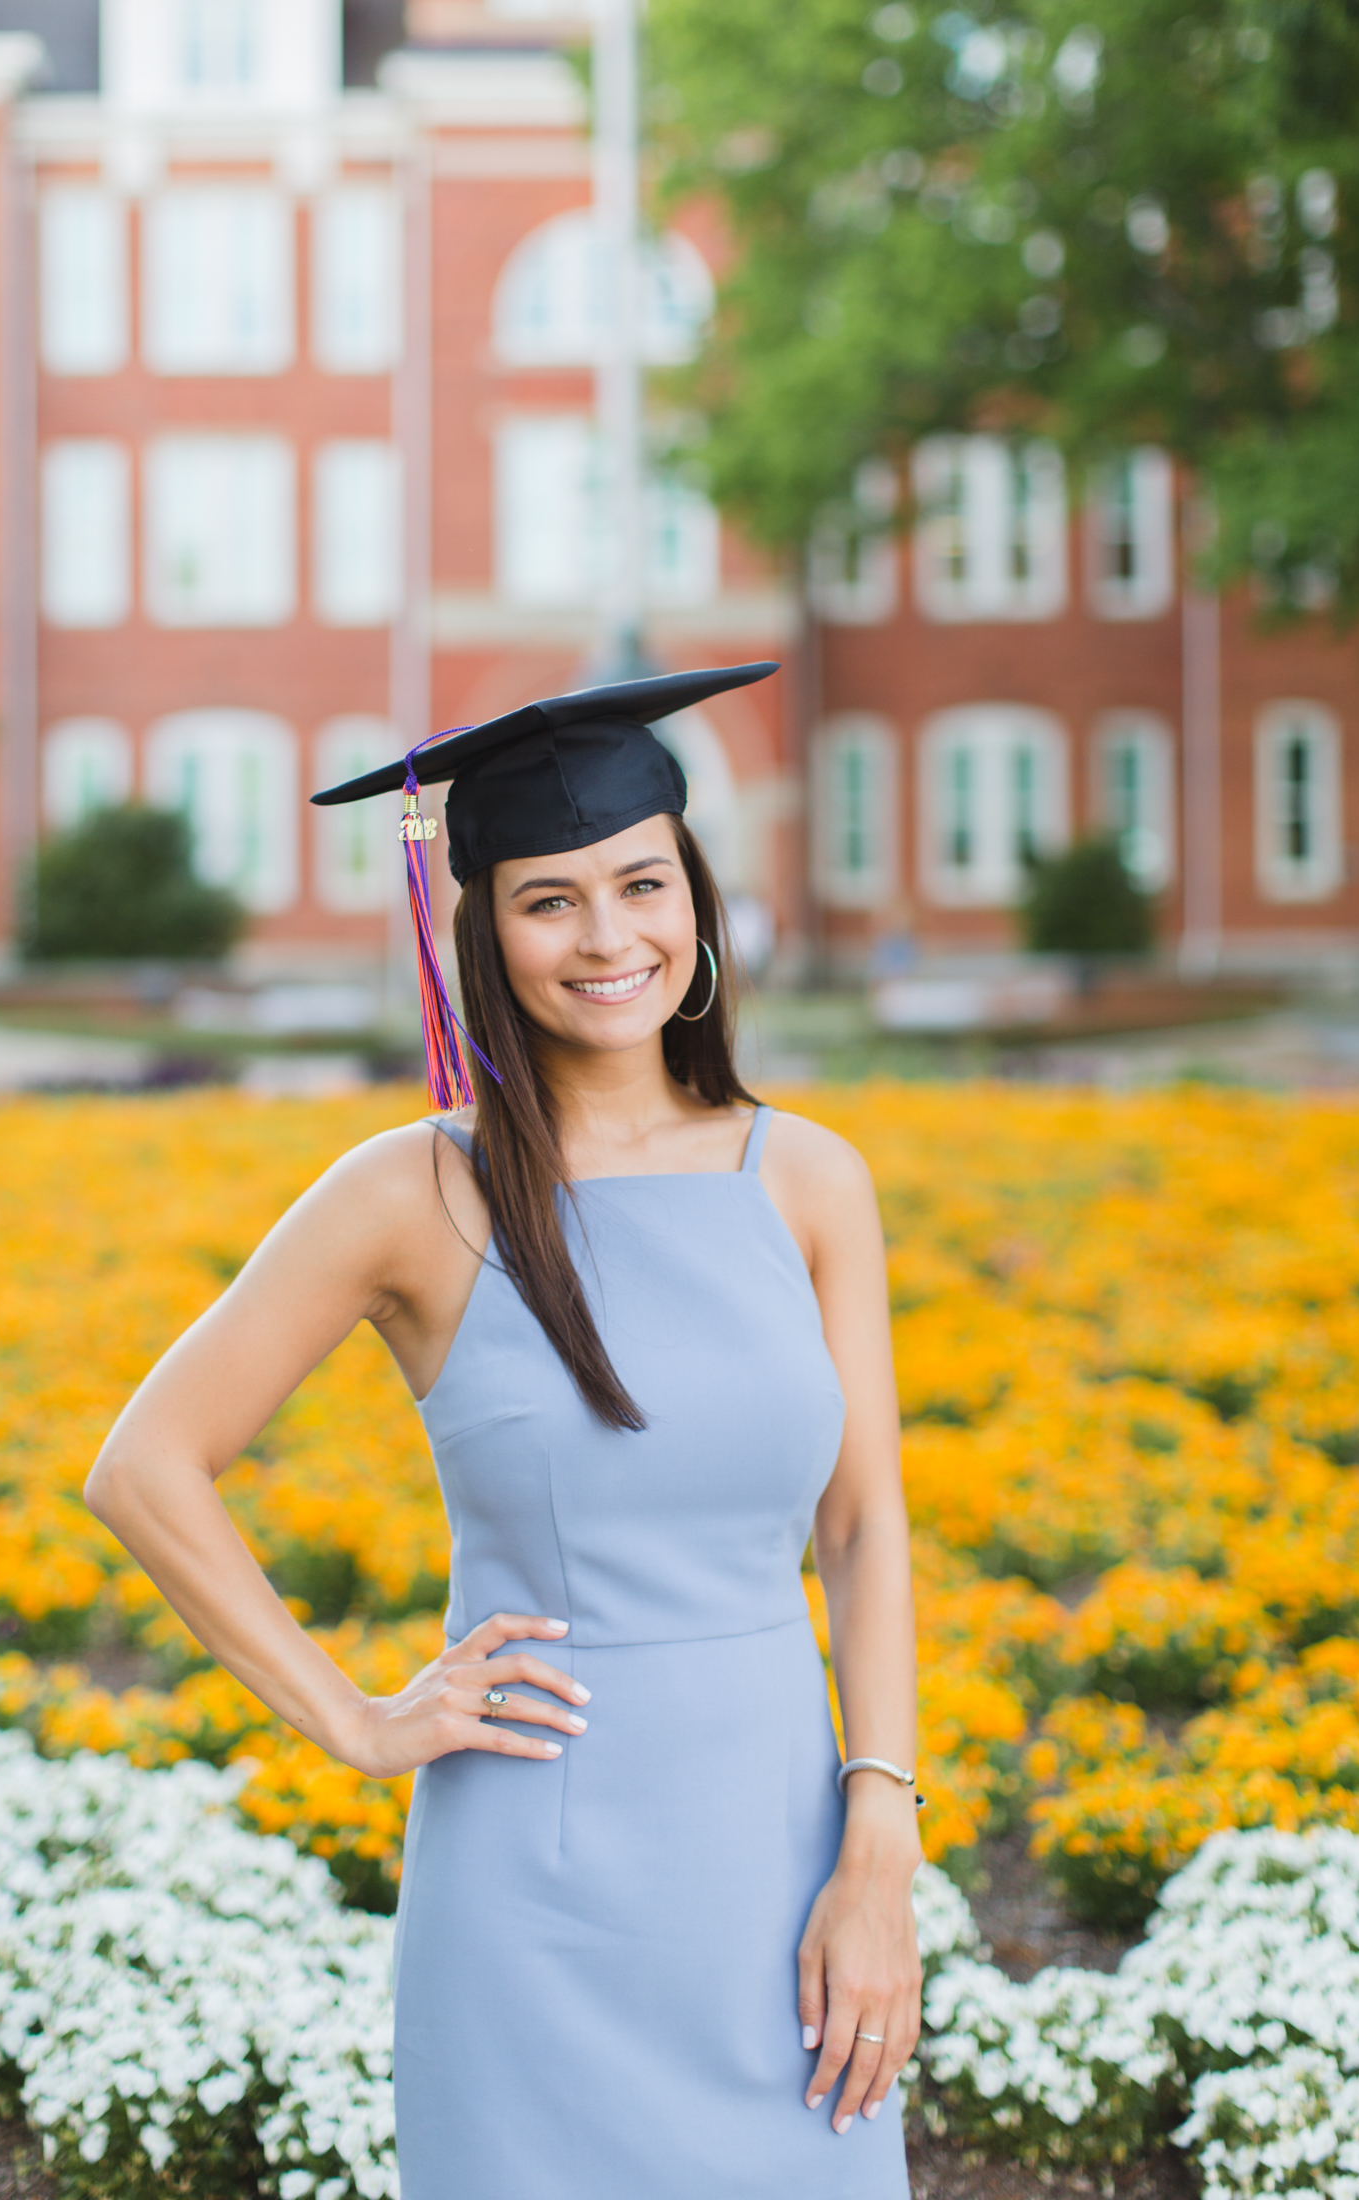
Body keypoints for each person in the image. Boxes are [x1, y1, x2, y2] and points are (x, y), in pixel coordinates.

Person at [85, 661, 922, 2200]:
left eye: (641, 883)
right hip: (532, 1881)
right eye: (550, 900)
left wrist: (881, 1839)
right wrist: (351, 1719)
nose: (609, 938)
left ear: (697, 898)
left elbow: (861, 1530)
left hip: (782, 1856)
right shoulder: (412, 1194)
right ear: (483, 930)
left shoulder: (809, 1181)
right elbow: (143, 1466)